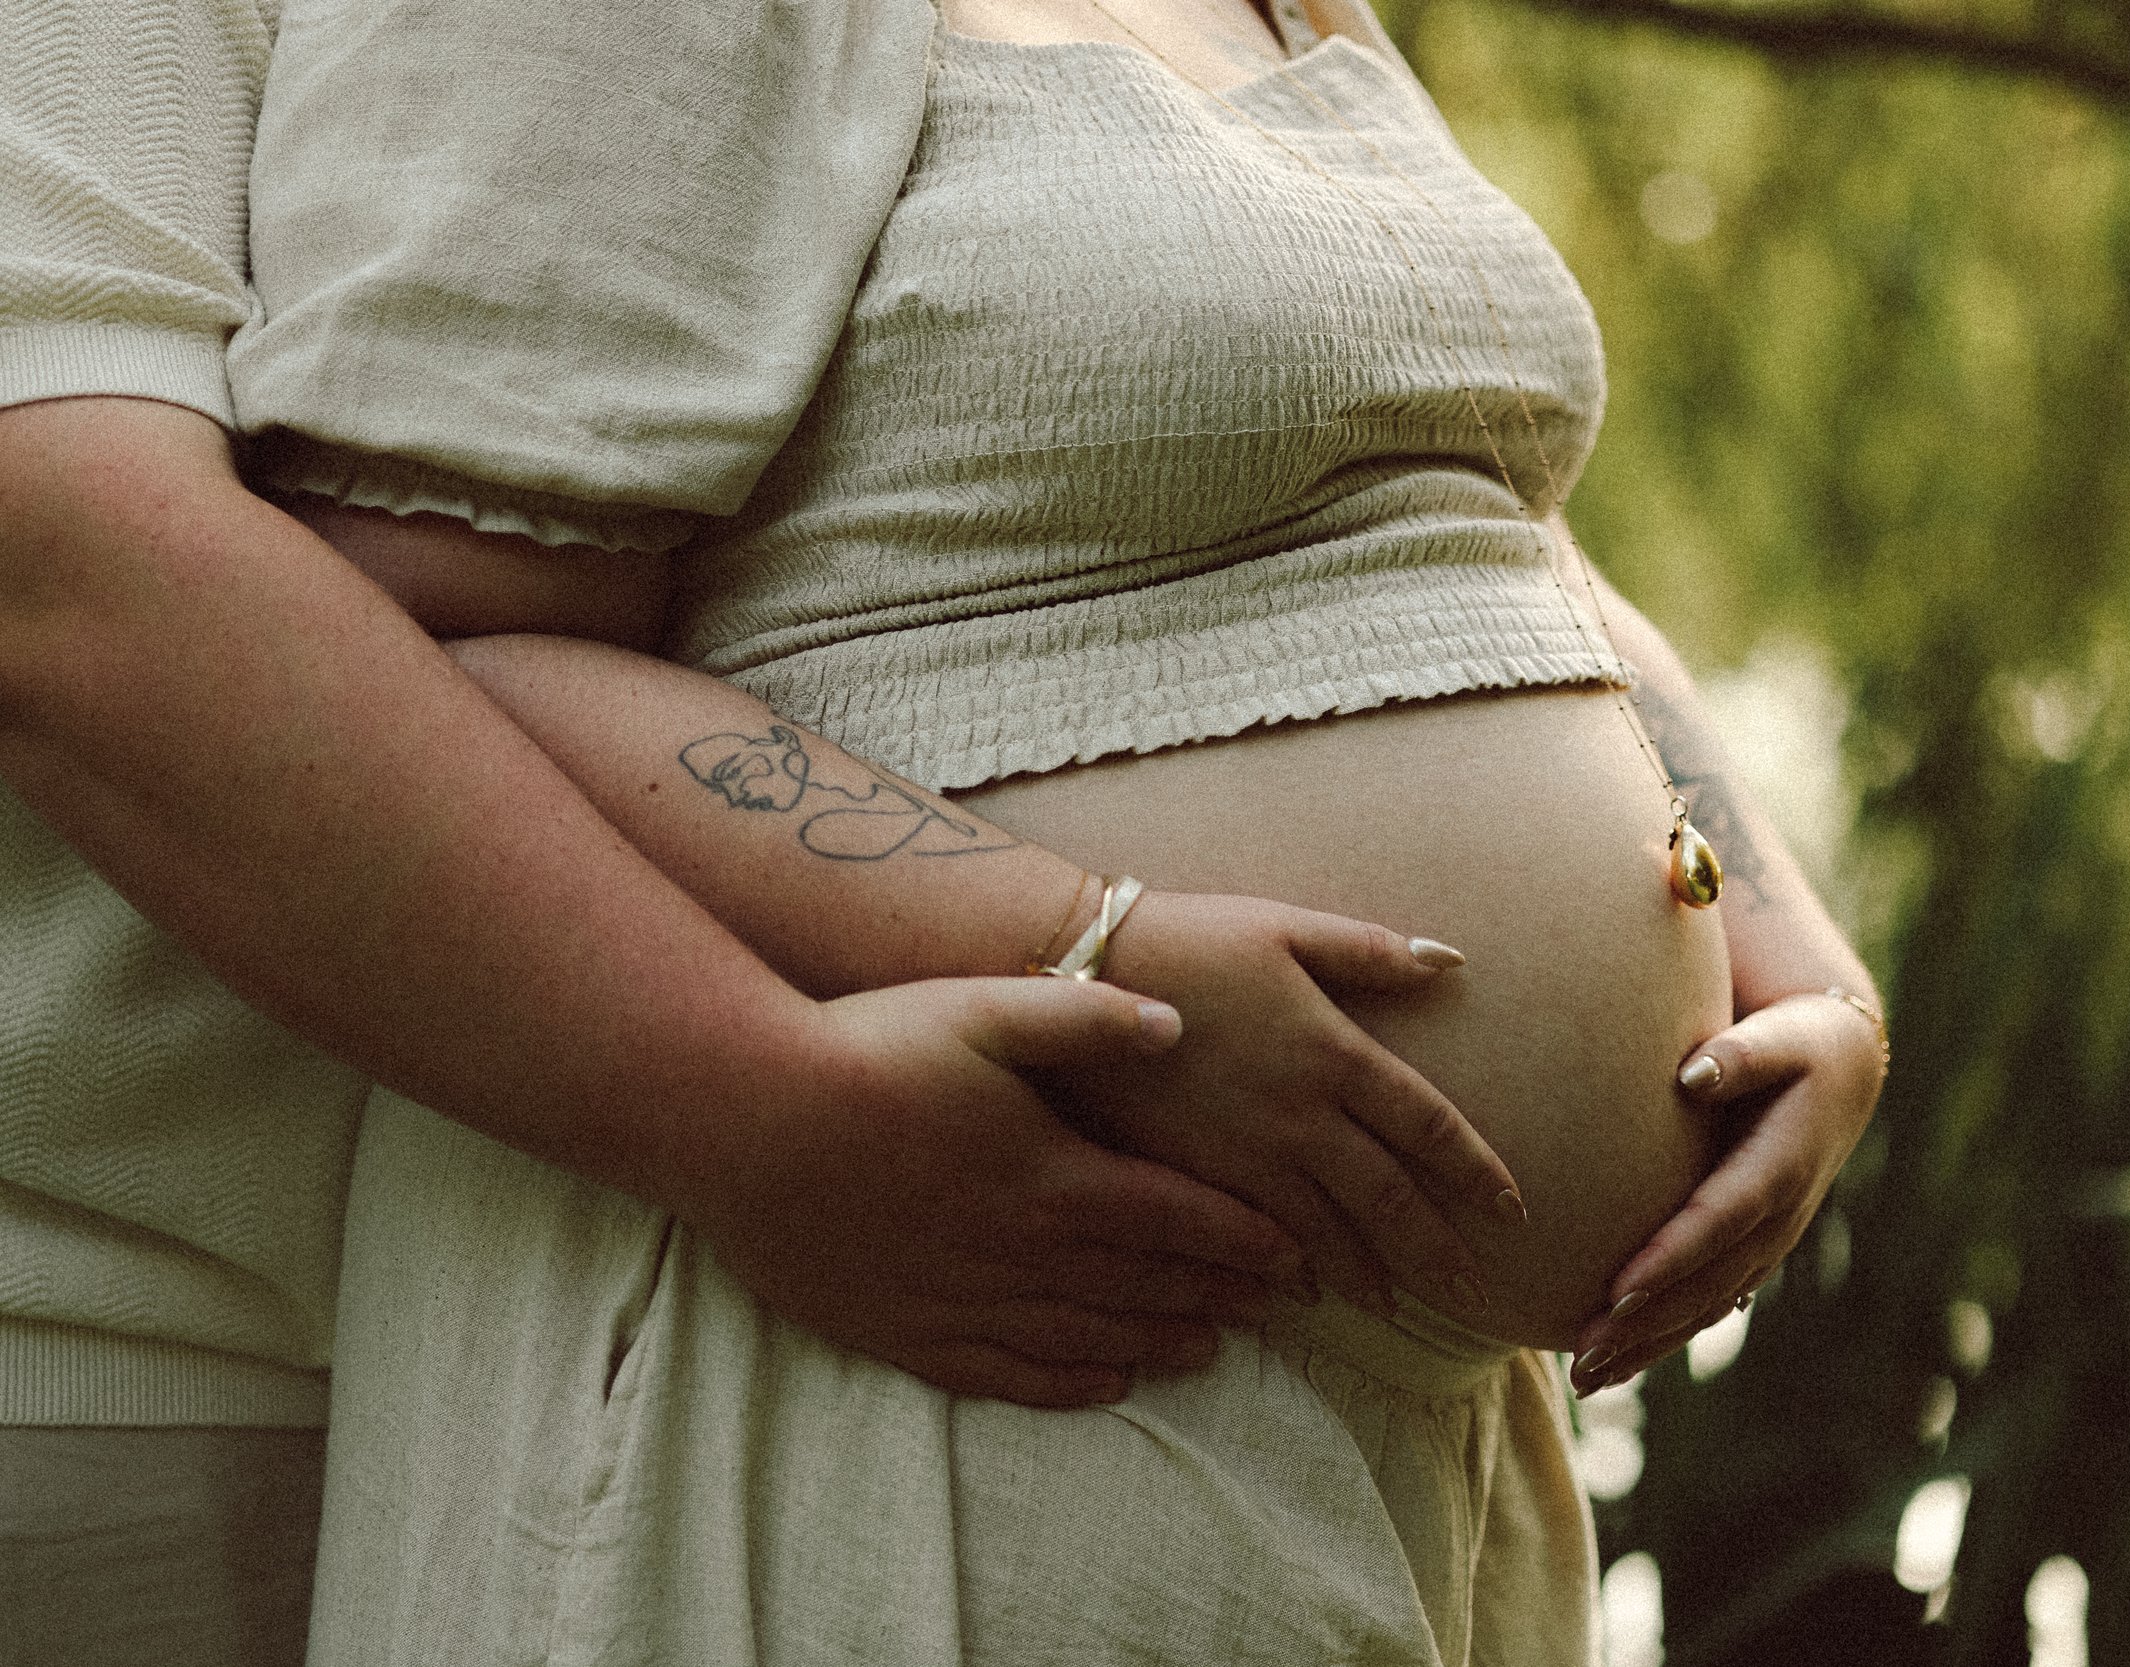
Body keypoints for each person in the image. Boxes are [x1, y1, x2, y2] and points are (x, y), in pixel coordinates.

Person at [0, 0, 1886, 1659]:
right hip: (869, 1307)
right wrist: (1054, 959)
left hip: (1401, 1423)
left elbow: (1474, 507)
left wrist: (1787, 944)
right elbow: (318, 617)